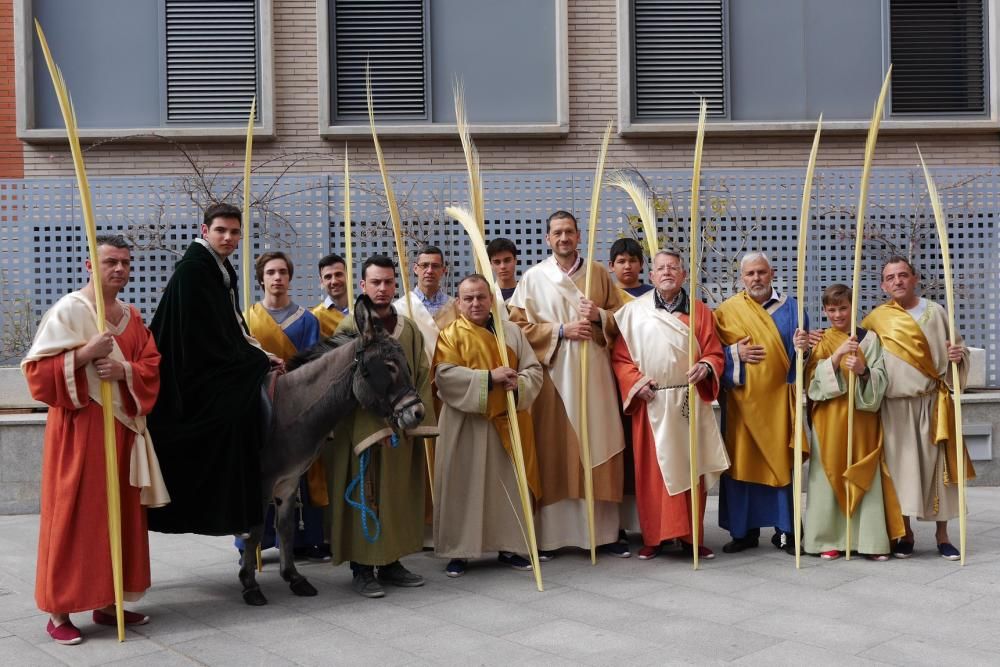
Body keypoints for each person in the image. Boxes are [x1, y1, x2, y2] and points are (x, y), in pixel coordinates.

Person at [22, 235, 167, 645]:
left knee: (117, 516)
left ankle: (109, 602)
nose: (119, 269)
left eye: (124, 262)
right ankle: (59, 611)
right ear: (91, 265)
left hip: (122, 431)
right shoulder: (70, 311)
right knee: (73, 516)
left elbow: (151, 364)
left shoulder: (132, 316)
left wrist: (126, 373)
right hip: (80, 430)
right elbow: (36, 375)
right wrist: (84, 354)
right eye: (110, 262)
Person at [146, 203, 277, 536]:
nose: (229, 237)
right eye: (221, 230)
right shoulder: (194, 270)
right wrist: (255, 359)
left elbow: (231, 325)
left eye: (234, 232)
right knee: (235, 413)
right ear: (205, 231)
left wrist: (259, 352)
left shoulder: (217, 267)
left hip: (211, 358)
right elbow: (204, 336)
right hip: (189, 371)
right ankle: (233, 510)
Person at [508, 210, 629, 557]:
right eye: (557, 233)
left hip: (595, 374)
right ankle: (552, 536)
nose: (564, 238)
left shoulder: (597, 274)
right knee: (554, 449)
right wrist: (559, 331)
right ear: (548, 238)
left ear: (579, 236)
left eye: (569, 232)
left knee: (598, 442)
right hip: (553, 378)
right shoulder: (533, 279)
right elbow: (516, 328)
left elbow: (622, 319)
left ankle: (602, 534)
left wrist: (599, 317)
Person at [325, 255, 439, 597]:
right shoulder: (350, 329)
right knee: (366, 493)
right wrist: (373, 418)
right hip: (363, 430)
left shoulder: (410, 328)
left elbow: (421, 374)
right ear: (362, 286)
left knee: (395, 495)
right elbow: (344, 382)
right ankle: (362, 568)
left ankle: (391, 563)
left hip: (400, 428)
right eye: (375, 282)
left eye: (389, 282)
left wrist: (412, 416)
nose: (382, 288)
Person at [612, 251, 729, 560]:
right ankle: (655, 536)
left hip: (689, 401)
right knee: (653, 474)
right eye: (660, 268)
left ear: (683, 275)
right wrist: (636, 383)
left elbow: (715, 353)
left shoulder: (701, 312)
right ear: (651, 276)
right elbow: (621, 358)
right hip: (652, 401)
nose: (666, 273)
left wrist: (705, 366)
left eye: (673, 268)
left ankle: (692, 537)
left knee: (692, 471)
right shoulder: (633, 312)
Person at [861, 257, 974, 560]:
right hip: (894, 406)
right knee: (900, 471)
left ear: (914, 279)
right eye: (890, 277)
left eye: (903, 275)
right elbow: (864, 359)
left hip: (933, 403)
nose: (897, 281)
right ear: (883, 284)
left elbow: (958, 349)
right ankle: (906, 534)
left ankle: (943, 535)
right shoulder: (875, 319)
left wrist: (957, 355)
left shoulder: (936, 312)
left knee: (941, 470)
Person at [432, 274, 544, 577]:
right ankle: (459, 552)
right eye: (468, 298)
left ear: (491, 300)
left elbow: (534, 370)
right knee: (462, 487)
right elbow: (444, 375)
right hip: (465, 423)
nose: (475, 303)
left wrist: (517, 382)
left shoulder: (512, 333)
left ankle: (510, 546)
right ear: (458, 302)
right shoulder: (450, 335)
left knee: (506, 485)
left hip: (507, 421)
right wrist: (487, 378)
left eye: (481, 297)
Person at [797, 284, 904, 560]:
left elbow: (882, 378)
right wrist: (834, 357)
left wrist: (863, 370)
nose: (837, 314)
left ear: (852, 307)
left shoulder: (869, 340)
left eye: (843, 308)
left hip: (862, 419)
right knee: (827, 476)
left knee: (863, 473)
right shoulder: (819, 341)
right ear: (824, 311)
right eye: (831, 310)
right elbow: (809, 382)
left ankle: (869, 541)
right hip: (829, 420)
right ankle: (827, 539)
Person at [714, 252, 806, 555]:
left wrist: (802, 351)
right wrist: (733, 355)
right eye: (750, 274)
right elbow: (714, 354)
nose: (756, 278)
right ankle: (744, 532)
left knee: (780, 464)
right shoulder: (726, 311)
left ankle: (787, 532)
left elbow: (802, 360)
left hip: (780, 404)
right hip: (740, 405)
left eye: (761, 273)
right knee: (741, 466)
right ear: (742, 278)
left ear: (772, 273)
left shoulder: (794, 309)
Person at [242, 251, 329, 561]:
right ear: (261, 278)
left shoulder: (307, 320)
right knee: (259, 471)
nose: (277, 277)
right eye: (270, 272)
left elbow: (314, 363)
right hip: (260, 406)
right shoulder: (247, 317)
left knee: (301, 468)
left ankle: (304, 540)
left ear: (290, 277)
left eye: (282, 272)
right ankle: (253, 542)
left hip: (296, 405)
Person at [393, 245, 459, 364]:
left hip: (449, 376)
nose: (429, 271)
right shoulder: (400, 307)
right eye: (424, 265)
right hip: (414, 377)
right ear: (415, 269)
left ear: (443, 270)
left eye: (435, 266)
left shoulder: (456, 307)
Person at [312, 252, 350, 338]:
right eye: (328, 277)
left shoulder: (363, 312)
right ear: (321, 281)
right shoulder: (315, 317)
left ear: (348, 276)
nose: (334, 281)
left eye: (338, 274)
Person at [609, 238, 654, 302]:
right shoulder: (607, 296)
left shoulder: (653, 294)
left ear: (641, 264)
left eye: (632, 261)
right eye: (621, 261)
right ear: (611, 266)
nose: (627, 266)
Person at [487, 237, 519, 302]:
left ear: (515, 260)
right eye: (497, 262)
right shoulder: (486, 295)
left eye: (507, 260)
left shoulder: (527, 293)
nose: (502, 266)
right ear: (490, 264)